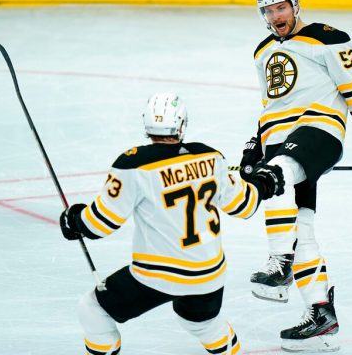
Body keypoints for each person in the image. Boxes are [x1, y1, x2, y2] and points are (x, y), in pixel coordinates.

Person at [59, 92, 284, 355]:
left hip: (157, 275)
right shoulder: (210, 156)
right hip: (208, 274)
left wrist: (74, 219)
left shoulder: (132, 164)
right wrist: (264, 182)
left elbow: (100, 224)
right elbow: (244, 205)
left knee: (92, 311)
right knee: (203, 324)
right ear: (181, 124)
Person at [239, 0, 352, 352]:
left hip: (318, 131)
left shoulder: (328, 38)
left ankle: (280, 262)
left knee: (274, 176)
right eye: (268, 11)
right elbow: (271, 107)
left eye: (281, 8)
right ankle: (321, 315)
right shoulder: (261, 52)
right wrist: (254, 146)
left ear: (295, 6)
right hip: (279, 142)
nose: (275, 16)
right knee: (301, 227)